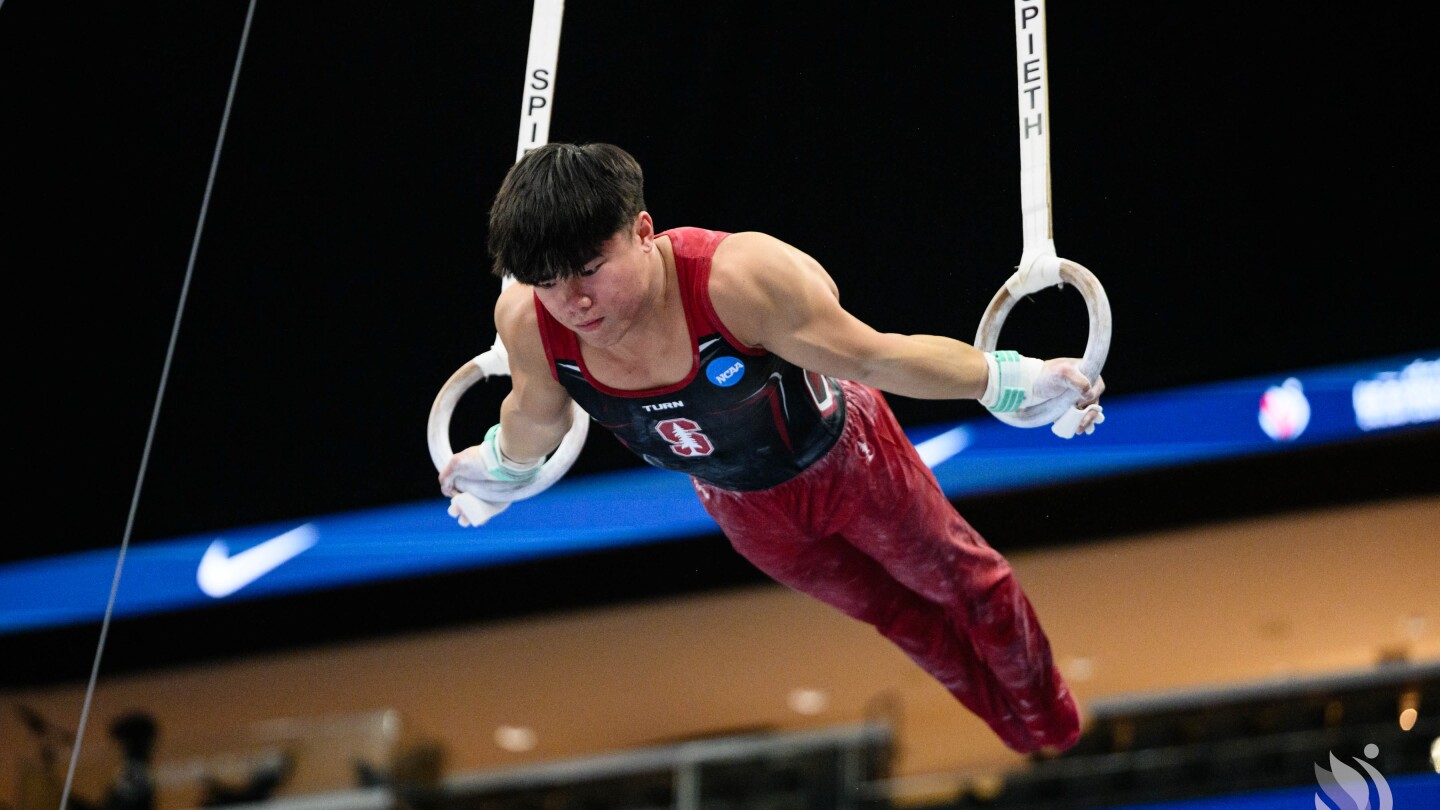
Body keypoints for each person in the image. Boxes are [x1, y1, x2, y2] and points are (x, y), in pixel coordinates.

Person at [438, 142, 1105, 754]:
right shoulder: (530, 319)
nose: (575, 302)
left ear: (643, 232)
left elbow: (877, 357)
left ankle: (1054, 722)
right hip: (743, 509)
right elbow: (537, 419)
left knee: (965, 586)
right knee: (895, 614)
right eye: (550, 283)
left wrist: (1013, 379)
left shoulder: (738, 281)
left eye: (589, 269)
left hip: (849, 463)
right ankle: (1025, 740)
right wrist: (498, 467)